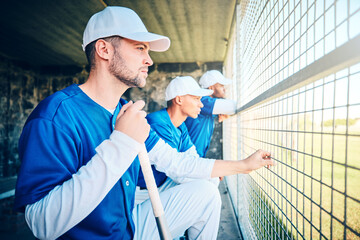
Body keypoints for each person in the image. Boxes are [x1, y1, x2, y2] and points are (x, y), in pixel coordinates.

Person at [14, 6, 275, 240]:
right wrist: (121, 144)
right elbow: (41, 224)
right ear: (104, 50)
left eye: (148, 51)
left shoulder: (124, 112)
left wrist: (243, 166)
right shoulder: (55, 116)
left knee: (206, 193)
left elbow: (177, 162)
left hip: (129, 226)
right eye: (140, 48)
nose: (149, 60)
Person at [136, 76, 219, 204]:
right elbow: (177, 172)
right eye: (196, 98)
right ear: (179, 99)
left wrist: (211, 174)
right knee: (206, 186)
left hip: (163, 183)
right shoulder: (157, 122)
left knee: (210, 181)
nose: (201, 104)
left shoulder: (181, 125)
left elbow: (192, 157)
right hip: (145, 193)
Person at [185, 70, 236, 158]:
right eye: (221, 86)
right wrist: (226, 111)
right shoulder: (203, 101)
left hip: (195, 155)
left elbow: (226, 111)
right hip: (190, 156)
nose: (224, 89)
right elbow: (233, 106)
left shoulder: (208, 105)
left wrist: (224, 112)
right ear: (211, 88)